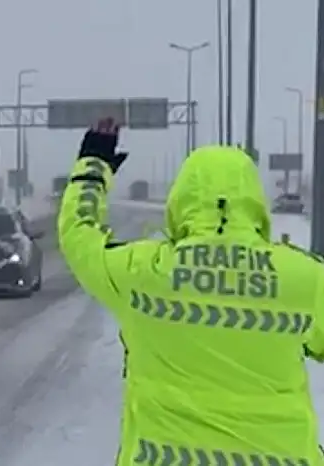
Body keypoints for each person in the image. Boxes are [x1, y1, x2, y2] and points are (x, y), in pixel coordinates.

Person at [57, 118, 324, 465]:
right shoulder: (305, 278)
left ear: (180, 199)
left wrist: (93, 167)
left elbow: (80, 236)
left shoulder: (145, 271)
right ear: (255, 200)